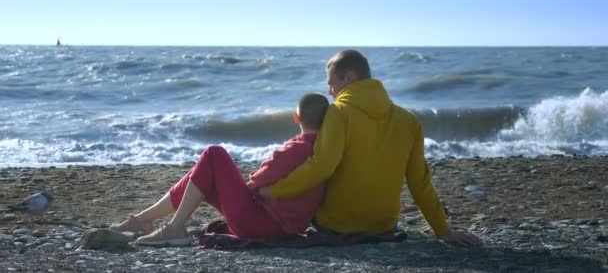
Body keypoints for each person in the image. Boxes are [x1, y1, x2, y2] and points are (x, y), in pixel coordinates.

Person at [260, 50, 480, 246]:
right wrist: (443, 231)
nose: (329, 91)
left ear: (349, 77)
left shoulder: (339, 112)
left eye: (332, 83)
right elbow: (419, 182)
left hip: (337, 225)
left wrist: (273, 191)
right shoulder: (409, 120)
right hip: (384, 226)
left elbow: (322, 167)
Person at [110, 92, 329, 246]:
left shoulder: (296, 148)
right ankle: (142, 220)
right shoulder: (324, 153)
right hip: (281, 227)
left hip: (260, 224)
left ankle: (175, 227)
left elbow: (256, 181)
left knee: (213, 153)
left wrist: (250, 184)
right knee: (202, 174)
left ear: (296, 117)